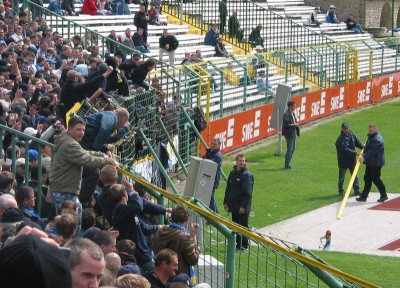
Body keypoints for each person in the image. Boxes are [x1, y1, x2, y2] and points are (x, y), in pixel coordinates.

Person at [49, 117, 118, 230]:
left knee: (71, 223)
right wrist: (110, 161)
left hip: (64, 188)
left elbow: (84, 153)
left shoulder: (69, 141)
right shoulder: (70, 144)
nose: (81, 133)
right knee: (70, 226)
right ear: (70, 129)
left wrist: (101, 155)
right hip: (64, 190)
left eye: (83, 130)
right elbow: (87, 159)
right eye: (78, 129)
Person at [153, 205, 200, 277]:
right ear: (187, 219)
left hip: (161, 276)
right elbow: (193, 260)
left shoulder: (160, 231)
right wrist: (194, 240)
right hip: (179, 279)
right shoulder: (184, 238)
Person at [223, 154, 254, 252]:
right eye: (240, 161)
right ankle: (237, 245)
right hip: (234, 205)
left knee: (243, 226)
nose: (242, 163)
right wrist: (226, 202)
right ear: (236, 161)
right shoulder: (233, 173)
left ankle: (244, 246)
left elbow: (248, 193)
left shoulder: (247, 175)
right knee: (235, 226)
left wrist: (243, 206)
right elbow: (228, 189)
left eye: (243, 161)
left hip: (242, 207)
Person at [356, 124, 388, 203]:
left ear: (376, 130)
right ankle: (364, 196)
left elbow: (373, 151)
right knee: (367, 178)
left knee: (376, 179)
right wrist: (365, 146)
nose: (370, 132)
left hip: (376, 163)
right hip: (371, 162)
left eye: (372, 131)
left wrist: (364, 157)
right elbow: (369, 145)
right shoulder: (371, 136)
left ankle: (384, 195)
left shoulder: (377, 139)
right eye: (369, 131)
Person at [335, 122, 364, 196]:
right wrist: (355, 153)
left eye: (347, 128)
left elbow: (357, 142)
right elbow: (346, 150)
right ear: (342, 129)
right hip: (343, 161)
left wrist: (363, 147)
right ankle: (341, 191)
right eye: (344, 128)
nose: (346, 129)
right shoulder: (339, 140)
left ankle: (356, 190)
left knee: (355, 175)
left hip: (351, 160)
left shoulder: (351, 134)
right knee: (342, 177)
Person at [204, 137, 222, 213]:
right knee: (210, 197)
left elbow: (210, 164)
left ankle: (214, 215)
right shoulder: (211, 152)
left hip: (213, 179)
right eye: (212, 143)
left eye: (215, 144)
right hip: (208, 177)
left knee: (210, 198)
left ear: (219, 145)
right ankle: (216, 214)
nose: (213, 145)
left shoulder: (217, 155)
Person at [282, 101, 299, 170]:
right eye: (294, 106)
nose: (295, 107)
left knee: (293, 148)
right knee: (290, 149)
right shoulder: (286, 114)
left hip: (293, 133)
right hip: (289, 134)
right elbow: (286, 124)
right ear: (290, 106)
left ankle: (288, 162)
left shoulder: (292, 113)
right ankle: (287, 165)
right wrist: (294, 125)